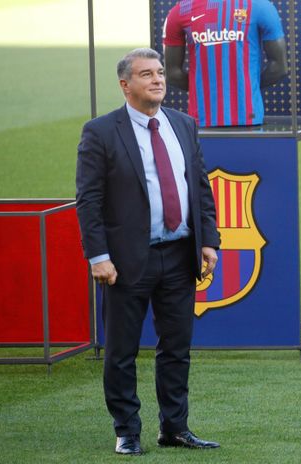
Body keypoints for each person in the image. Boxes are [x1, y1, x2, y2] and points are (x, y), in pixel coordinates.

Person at [76, 48, 222, 455]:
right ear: (125, 85)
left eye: (159, 72)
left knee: (176, 347)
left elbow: (200, 187)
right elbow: (88, 200)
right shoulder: (100, 132)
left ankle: (174, 428)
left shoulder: (184, 124)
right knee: (121, 350)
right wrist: (98, 256)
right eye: (146, 74)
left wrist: (208, 239)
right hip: (125, 261)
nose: (158, 79)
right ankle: (127, 431)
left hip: (179, 255)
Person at [163, 0, 288, 127]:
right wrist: (239, 87)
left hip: (248, 118)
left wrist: (246, 87)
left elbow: (279, 68)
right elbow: (173, 74)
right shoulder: (181, 10)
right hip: (201, 120)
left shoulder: (259, 6)